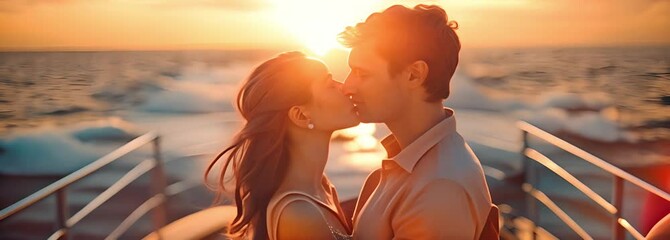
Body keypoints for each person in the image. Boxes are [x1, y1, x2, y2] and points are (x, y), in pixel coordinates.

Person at [339, 4, 497, 239]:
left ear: (414, 74)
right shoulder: (412, 163)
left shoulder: (439, 188)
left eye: (363, 74)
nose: (348, 86)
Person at [205, 52, 357, 240]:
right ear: (301, 116)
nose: (346, 87)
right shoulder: (299, 214)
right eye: (330, 84)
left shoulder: (321, 186)